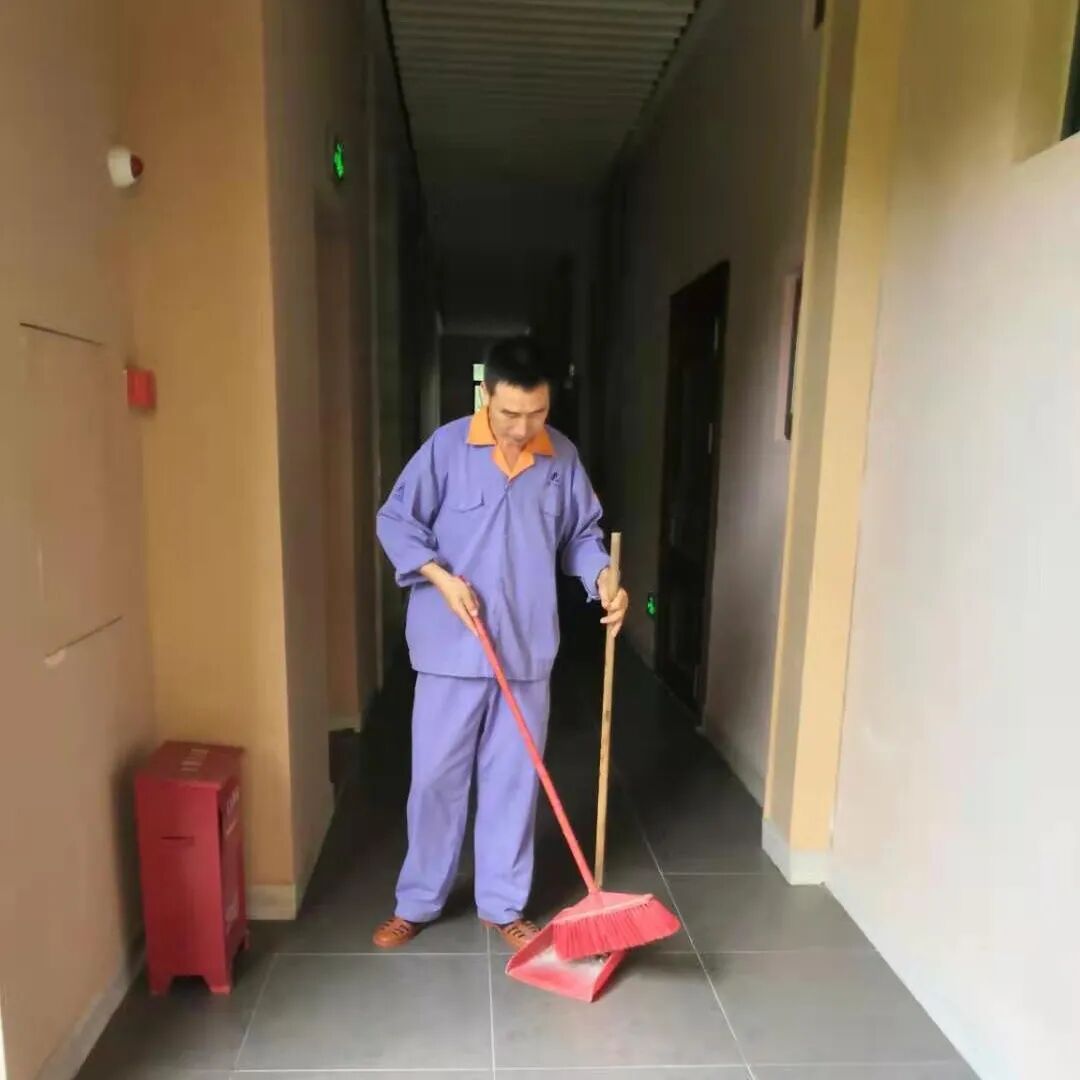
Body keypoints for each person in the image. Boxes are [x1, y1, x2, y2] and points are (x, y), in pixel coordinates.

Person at [372, 336, 629, 951]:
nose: (522, 428)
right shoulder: (446, 449)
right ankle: (418, 901)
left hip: (525, 649)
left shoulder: (561, 458)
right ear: (486, 395)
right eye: (510, 413)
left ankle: (503, 903)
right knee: (435, 779)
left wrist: (603, 577)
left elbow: (581, 536)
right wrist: (438, 577)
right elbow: (396, 520)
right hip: (450, 649)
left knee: (515, 779)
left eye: (536, 414)